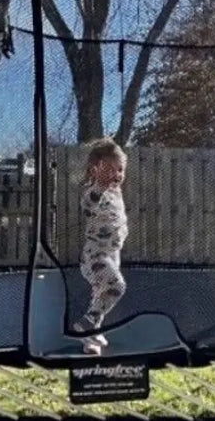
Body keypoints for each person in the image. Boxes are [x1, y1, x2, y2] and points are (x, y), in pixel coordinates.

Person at [73, 138, 129, 354]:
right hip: (95, 257)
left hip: (113, 254)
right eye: (109, 169)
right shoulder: (93, 192)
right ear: (95, 170)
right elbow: (88, 207)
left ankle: (90, 340)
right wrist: (100, 185)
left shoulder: (116, 192)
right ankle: (87, 324)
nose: (116, 174)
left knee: (100, 297)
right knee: (116, 287)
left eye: (120, 169)